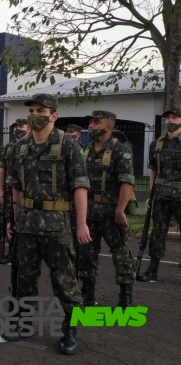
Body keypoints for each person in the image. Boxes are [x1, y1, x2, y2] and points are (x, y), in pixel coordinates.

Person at [5, 94, 91, 354]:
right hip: (28, 224)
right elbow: (16, 187)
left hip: (58, 226)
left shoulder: (69, 147)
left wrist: (81, 223)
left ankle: (70, 329)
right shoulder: (20, 147)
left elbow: (80, 187)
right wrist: (14, 218)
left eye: (40, 110)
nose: (35, 114)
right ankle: (24, 322)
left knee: (65, 280)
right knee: (24, 278)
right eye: (31, 110)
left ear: (54, 115)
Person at [78, 110, 135, 307]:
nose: (91, 126)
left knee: (120, 254)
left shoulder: (121, 151)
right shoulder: (85, 149)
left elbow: (127, 183)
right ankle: (87, 294)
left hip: (111, 212)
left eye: (96, 123)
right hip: (89, 212)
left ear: (108, 127)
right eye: (91, 123)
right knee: (86, 254)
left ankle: (125, 297)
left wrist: (120, 211)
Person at [138, 107, 181, 282]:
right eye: (168, 118)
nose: (170, 120)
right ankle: (152, 271)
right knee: (157, 234)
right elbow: (153, 170)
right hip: (162, 196)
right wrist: (151, 194)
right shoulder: (157, 144)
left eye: (175, 117)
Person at [0, 119, 31, 264]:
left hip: (26, 190)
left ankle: (24, 253)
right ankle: (11, 252)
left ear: (28, 129)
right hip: (10, 189)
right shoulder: (10, 146)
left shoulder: (31, 145)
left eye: (21, 126)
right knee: (10, 219)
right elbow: (2, 167)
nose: (17, 129)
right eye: (16, 126)